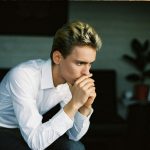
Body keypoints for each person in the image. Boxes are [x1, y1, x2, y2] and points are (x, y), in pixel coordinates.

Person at [0, 20, 102, 150]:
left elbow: (74, 136)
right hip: (3, 127)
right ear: (58, 57)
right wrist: (74, 103)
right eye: (80, 63)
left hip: (31, 128)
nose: (87, 73)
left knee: (75, 148)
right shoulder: (23, 76)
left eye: (90, 64)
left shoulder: (70, 81)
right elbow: (36, 143)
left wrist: (85, 108)